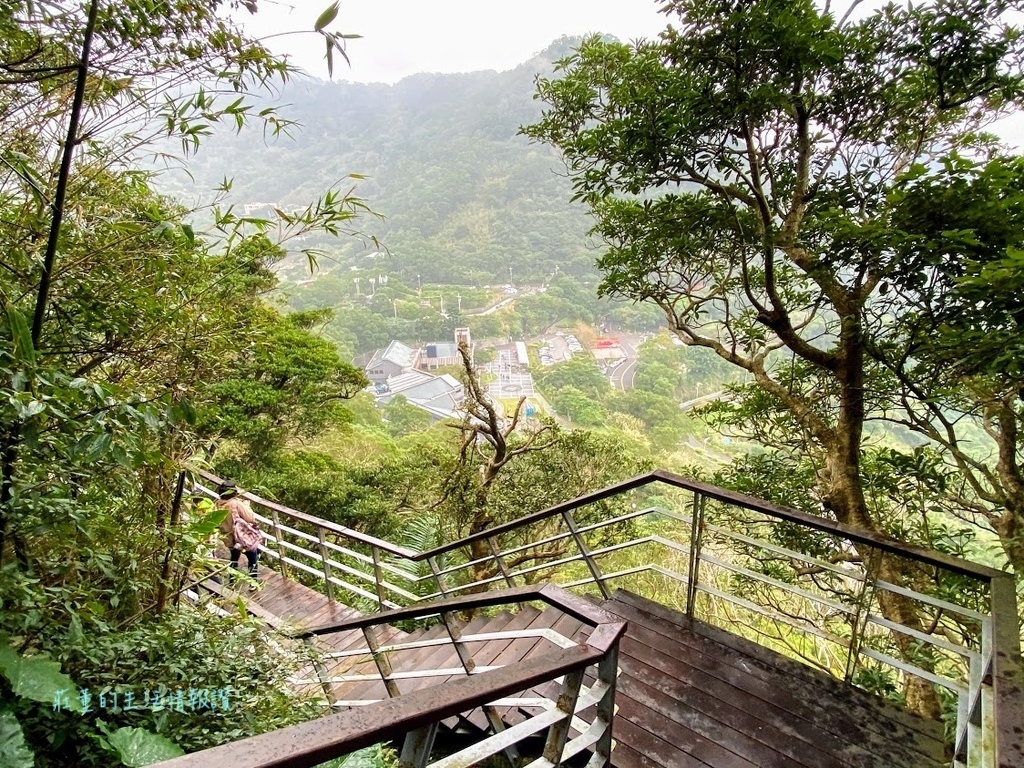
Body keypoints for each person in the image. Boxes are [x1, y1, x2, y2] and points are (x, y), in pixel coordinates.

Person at [216, 481, 260, 587]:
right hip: (241, 538)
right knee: (252, 557)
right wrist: (246, 505)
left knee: (234, 557)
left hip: (228, 537)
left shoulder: (217, 503)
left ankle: (231, 581)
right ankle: (253, 583)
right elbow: (251, 518)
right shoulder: (236, 504)